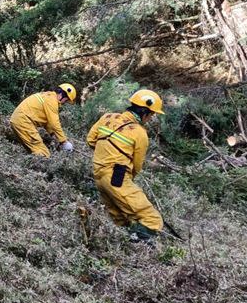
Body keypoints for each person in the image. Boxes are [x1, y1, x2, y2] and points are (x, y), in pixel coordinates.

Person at [86, 89, 165, 241]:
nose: (151, 118)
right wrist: (127, 179)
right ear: (145, 112)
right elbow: (137, 165)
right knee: (152, 220)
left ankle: (122, 247)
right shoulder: (139, 132)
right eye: (152, 114)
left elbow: (90, 140)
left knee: (120, 219)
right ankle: (139, 248)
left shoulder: (107, 117)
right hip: (118, 176)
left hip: (98, 174)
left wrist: (105, 154)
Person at [10, 84, 77, 157]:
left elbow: (47, 123)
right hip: (23, 121)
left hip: (18, 120)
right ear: (62, 95)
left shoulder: (48, 97)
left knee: (33, 151)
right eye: (66, 100)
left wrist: (53, 135)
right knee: (43, 153)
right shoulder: (52, 101)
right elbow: (55, 124)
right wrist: (64, 142)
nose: (64, 103)